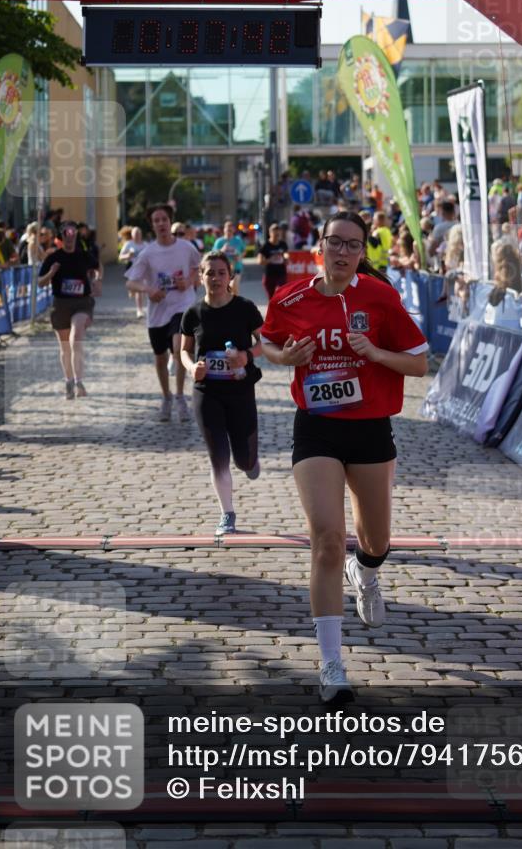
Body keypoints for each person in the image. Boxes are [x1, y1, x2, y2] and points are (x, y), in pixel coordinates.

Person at [260, 211, 429, 703]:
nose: (342, 251)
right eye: (335, 242)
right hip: (316, 429)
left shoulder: (380, 297)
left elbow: (418, 363)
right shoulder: (290, 297)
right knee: (328, 539)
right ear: (320, 245)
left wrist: (376, 354)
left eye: (352, 245)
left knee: (375, 539)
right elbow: (268, 342)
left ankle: (368, 571)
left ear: (361, 252)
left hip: (371, 429)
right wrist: (283, 358)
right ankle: (331, 665)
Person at [180, 252, 264, 536]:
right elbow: (183, 350)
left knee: (244, 460)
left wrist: (246, 356)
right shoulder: (193, 313)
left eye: (220, 273)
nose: (215, 278)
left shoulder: (245, 308)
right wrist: (192, 367)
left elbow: (267, 342)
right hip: (207, 392)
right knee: (218, 455)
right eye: (209, 273)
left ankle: (251, 461)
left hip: (240, 391)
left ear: (230, 277)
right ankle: (227, 514)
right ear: (200, 277)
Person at [126, 204, 201, 422]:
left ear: (170, 222)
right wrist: (148, 289)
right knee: (160, 358)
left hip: (182, 306)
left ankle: (179, 397)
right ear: (152, 225)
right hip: (158, 312)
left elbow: (198, 267)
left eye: (164, 219)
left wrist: (188, 281)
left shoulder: (186, 248)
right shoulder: (147, 253)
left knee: (179, 349)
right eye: (156, 220)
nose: (161, 223)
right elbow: (131, 282)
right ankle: (166, 397)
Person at [37, 221, 102, 399]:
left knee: (76, 337)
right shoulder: (53, 257)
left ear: (76, 236)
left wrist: (97, 279)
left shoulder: (84, 255)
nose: (70, 236)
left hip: (82, 303)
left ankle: (79, 381)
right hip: (61, 305)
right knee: (65, 348)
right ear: (62, 236)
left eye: (73, 233)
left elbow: (97, 267)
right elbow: (40, 282)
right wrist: (51, 273)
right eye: (66, 233)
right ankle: (69, 381)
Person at [119, 226, 147, 317]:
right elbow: (120, 257)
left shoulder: (145, 245)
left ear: (141, 235)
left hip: (142, 269)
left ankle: (139, 310)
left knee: (140, 290)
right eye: (135, 234)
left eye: (138, 234)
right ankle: (132, 290)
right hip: (131, 268)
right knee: (135, 289)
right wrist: (128, 255)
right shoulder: (128, 244)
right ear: (132, 235)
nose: (137, 236)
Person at [213, 220, 246, 296]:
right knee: (226, 289)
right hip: (223, 268)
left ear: (233, 230)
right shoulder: (219, 241)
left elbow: (244, 251)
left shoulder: (238, 240)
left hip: (236, 267)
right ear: (224, 229)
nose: (229, 231)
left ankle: (235, 303)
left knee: (234, 286)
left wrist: (239, 256)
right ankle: (229, 302)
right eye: (227, 229)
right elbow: (213, 254)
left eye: (231, 229)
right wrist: (222, 250)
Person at [258, 222, 289, 300]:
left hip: (281, 274)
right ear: (270, 233)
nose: (276, 236)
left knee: (281, 293)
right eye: (274, 233)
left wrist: (285, 258)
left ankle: (281, 311)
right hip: (269, 275)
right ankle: (273, 311)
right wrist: (270, 260)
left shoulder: (283, 244)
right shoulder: (266, 245)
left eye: (278, 234)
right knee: (271, 299)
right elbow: (259, 261)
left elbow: (286, 254)